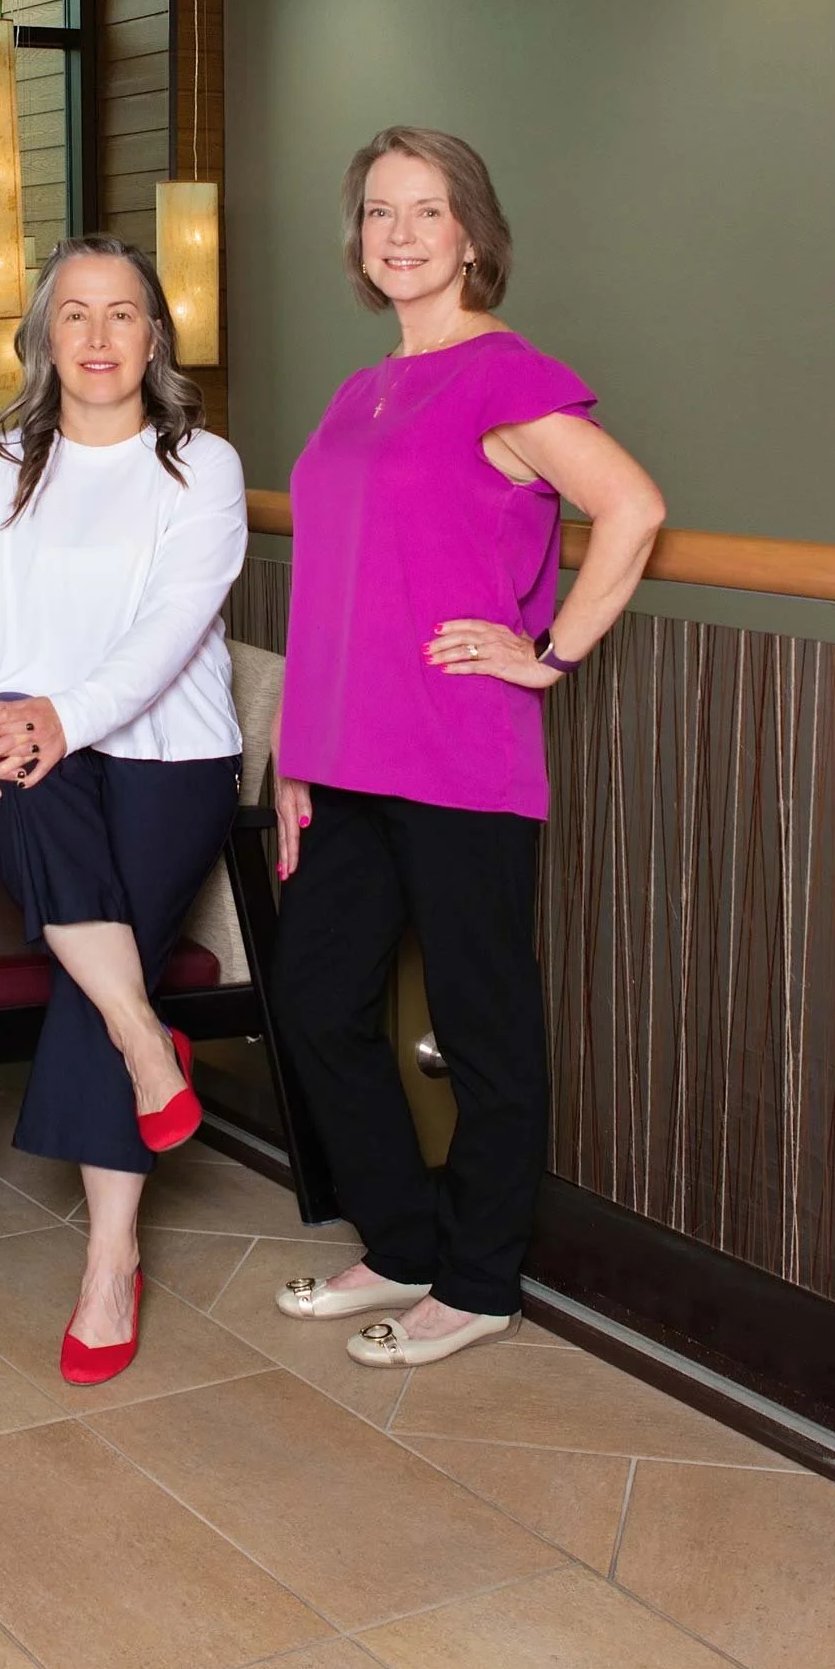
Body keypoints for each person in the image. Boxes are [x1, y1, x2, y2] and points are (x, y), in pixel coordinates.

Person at [271, 125, 663, 1367]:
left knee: (483, 1024)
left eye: (425, 212)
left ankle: (479, 1278)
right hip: (343, 757)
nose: (398, 233)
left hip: (457, 757)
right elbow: (336, 581)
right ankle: (402, 1240)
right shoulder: (360, 388)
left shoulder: (505, 375)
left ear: (471, 235)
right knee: (318, 1003)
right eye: (379, 212)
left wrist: (545, 652)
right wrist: (292, 753)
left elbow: (632, 507)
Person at [0, 237, 248, 1384]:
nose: (101, 338)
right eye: (77, 315)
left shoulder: (200, 466)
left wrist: (62, 716)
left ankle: (110, 1256)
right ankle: (141, 1043)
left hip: (169, 753)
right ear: (43, 338)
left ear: (155, 338)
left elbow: (167, 633)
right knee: (108, 939)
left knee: (89, 953)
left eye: (124, 315)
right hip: (11, 745)